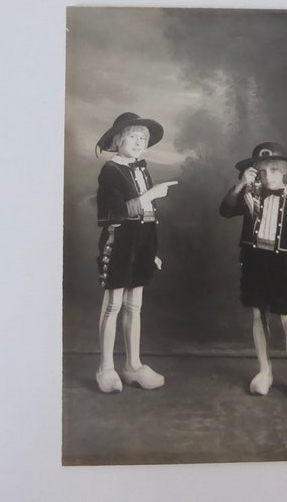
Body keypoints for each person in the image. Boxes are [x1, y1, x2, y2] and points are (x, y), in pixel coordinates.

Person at [220, 142, 287, 398]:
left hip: (284, 266)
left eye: (274, 170)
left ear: (285, 171)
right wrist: (241, 184)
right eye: (262, 171)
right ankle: (265, 370)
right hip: (254, 263)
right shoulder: (250, 195)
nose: (268, 176)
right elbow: (225, 211)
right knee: (258, 316)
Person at [93, 112, 178, 393]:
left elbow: (148, 217)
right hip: (119, 243)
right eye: (133, 136)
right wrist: (151, 194)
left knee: (134, 306)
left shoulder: (141, 169)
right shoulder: (110, 171)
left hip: (141, 245)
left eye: (143, 138)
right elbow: (116, 213)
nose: (140, 142)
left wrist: (151, 252)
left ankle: (132, 365)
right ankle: (106, 368)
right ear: (118, 140)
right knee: (114, 304)